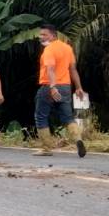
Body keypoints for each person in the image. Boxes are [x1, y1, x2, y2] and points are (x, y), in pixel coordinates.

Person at [33, 25, 86, 158]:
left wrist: (52, 87)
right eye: (40, 35)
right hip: (66, 87)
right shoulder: (67, 48)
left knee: (41, 116)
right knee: (68, 117)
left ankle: (46, 148)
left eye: (44, 35)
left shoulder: (49, 49)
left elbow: (50, 69)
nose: (41, 37)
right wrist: (79, 87)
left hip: (49, 87)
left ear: (53, 36)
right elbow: (73, 69)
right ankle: (78, 139)